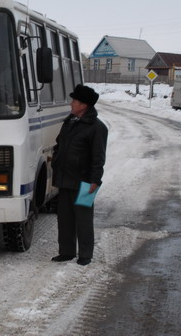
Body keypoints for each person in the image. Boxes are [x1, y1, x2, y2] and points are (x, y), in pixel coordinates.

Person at [51, 84, 108, 266]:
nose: (71, 103)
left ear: (84, 105)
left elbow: (98, 157)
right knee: (65, 218)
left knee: (83, 219)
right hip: (65, 178)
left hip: (84, 181)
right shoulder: (69, 122)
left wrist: (95, 180)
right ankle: (66, 251)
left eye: (74, 101)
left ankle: (85, 254)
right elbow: (59, 144)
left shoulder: (97, 128)